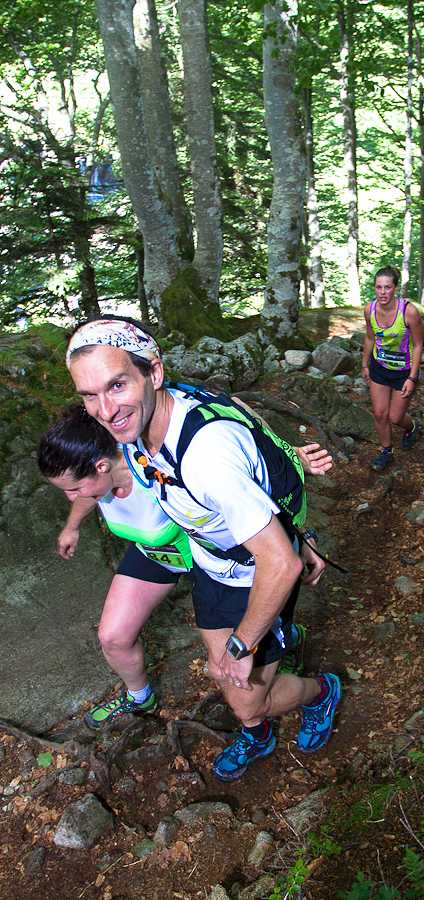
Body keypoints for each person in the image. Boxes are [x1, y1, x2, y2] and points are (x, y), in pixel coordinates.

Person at [64, 316, 341, 782]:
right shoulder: (153, 411)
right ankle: (257, 732)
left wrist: (244, 642)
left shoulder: (208, 457)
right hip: (210, 564)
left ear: (153, 373)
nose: (105, 410)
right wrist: (287, 456)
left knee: (246, 696)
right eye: (89, 395)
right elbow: (238, 410)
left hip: (256, 576)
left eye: (116, 385)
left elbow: (280, 562)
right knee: (220, 671)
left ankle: (319, 692)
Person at [38, 404, 194, 730]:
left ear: (101, 466)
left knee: (239, 642)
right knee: (113, 637)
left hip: (209, 555)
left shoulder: (156, 470)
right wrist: (72, 527)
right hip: (155, 553)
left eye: (74, 488)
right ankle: (140, 697)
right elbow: (88, 494)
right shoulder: (100, 481)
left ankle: (287, 638)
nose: (71, 497)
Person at [362, 265, 423, 471]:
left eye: (387, 287)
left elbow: (418, 345)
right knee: (380, 414)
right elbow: (370, 337)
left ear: (396, 288)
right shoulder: (369, 310)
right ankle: (386, 451)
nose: (382, 292)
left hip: (404, 372)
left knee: (396, 418)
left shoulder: (409, 311)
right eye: (378, 287)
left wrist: (412, 378)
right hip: (379, 367)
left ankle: (412, 426)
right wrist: (364, 364)